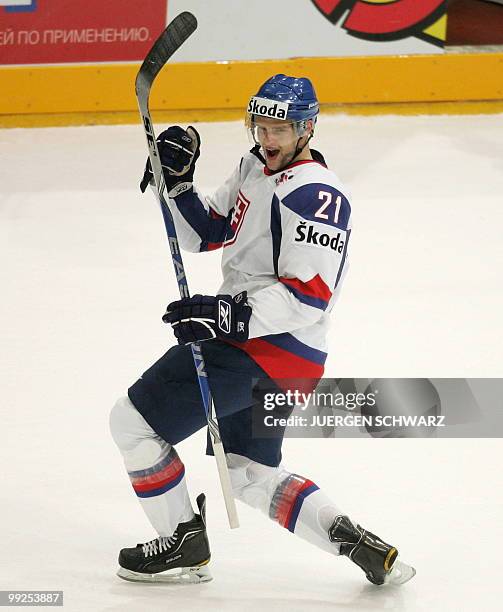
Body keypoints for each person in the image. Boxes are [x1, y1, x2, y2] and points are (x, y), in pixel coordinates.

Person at [109, 74, 415, 586]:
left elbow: (307, 299)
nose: (268, 138)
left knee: (132, 424)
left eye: (282, 128)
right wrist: (178, 183)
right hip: (276, 354)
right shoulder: (255, 165)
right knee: (248, 472)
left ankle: (184, 540)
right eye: (262, 124)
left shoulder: (318, 196)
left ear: (307, 129)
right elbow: (205, 233)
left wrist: (224, 314)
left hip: (265, 348)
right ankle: (355, 541)